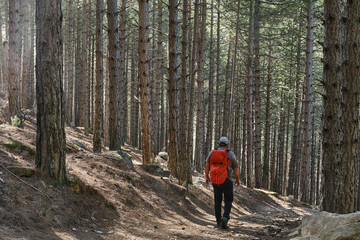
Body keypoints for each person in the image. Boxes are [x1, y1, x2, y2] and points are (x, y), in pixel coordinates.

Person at [205, 136, 240, 229]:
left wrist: (206, 176)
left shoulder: (212, 152)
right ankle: (225, 217)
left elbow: (207, 164)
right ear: (227, 144)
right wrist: (238, 178)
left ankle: (218, 221)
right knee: (228, 200)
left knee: (217, 200)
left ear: (219, 143)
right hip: (227, 180)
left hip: (215, 180)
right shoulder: (230, 154)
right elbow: (236, 168)